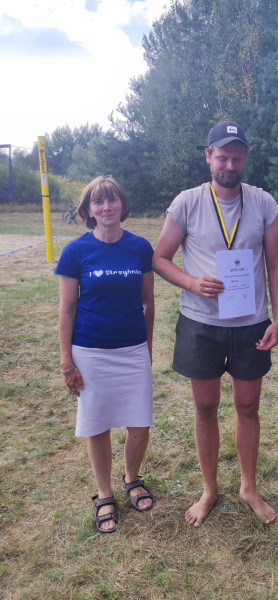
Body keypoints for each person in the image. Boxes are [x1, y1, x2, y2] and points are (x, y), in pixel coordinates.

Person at [153, 121, 278, 527]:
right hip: (201, 323)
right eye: (222, 155)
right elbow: (159, 258)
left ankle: (248, 486)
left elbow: (277, 264)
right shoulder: (188, 202)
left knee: (248, 406)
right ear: (209, 156)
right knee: (205, 407)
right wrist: (192, 282)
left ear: (245, 158)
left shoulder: (263, 202)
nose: (230, 163)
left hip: (250, 323)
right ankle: (209, 489)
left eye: (237, 156)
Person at [56, 176, 155, 534]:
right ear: (88, 211)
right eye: (98, 202)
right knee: (97, 425)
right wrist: (66, 361)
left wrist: (148, 345)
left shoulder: (141, 247)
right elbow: (66, 311)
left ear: (122, 206)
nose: (107, 207)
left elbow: (148, 301)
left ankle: (131, 478)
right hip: (90, 351)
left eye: (113, 200)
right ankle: (104, 493)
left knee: (140, 424)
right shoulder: (76, 252)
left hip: (132, 350)